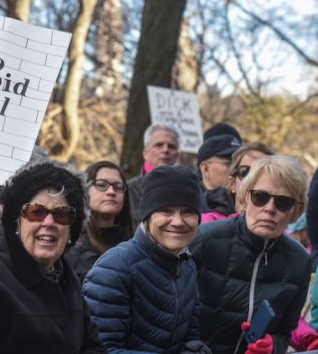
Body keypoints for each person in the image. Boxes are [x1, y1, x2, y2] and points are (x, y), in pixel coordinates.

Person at [0, 162, 107, 353]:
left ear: (72, 229)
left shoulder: (66, 279)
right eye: (36, 212)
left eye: (61, 214)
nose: (49, 222)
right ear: (17, 222)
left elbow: (92, 347)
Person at [191, 155, 312, 354]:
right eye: (260, 197)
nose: (269, 208)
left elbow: (285, 334)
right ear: (246, 197)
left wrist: (273, 345)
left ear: (296, 210)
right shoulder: (206, 238)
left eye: (283, 202)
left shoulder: (299, 260)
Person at [83, 165, 209, 354]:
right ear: (147, 217)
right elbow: (100, 350)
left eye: (187, 212)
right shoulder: (114, 268)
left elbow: (190, 336)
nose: (177, 221)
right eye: (166, 211)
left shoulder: (187, 265)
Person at [65, 161, 134, 282]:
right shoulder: (71, 242)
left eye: (118, 186)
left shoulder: (134, 244)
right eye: (102, 185)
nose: (111, 192)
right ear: (85, 190)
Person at [127, 124, 180, 225]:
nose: (165, 150)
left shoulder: (190, 189)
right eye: (159, 145)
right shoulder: (128, 190)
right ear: (145, 153)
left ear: (177, 155)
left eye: (171, 146)